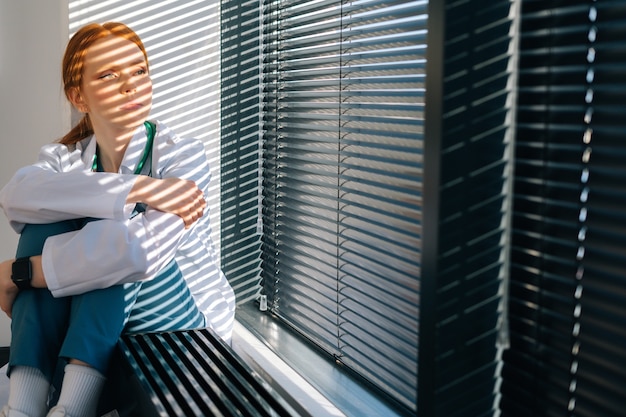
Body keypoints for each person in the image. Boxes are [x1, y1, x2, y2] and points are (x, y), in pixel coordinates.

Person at [0, 22, 235, 417]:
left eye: (139, 71)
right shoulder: (67, 157)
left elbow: (139, 254)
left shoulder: (183, 153)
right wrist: (136, 190)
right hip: (105, 320)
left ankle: (73, 406)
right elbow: (17, 197)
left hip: (182, 324)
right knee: (51, 219)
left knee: (112, 237)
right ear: (80, 96)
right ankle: (23, 405)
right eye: (110, 75)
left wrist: (20, 273)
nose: (131, 85)